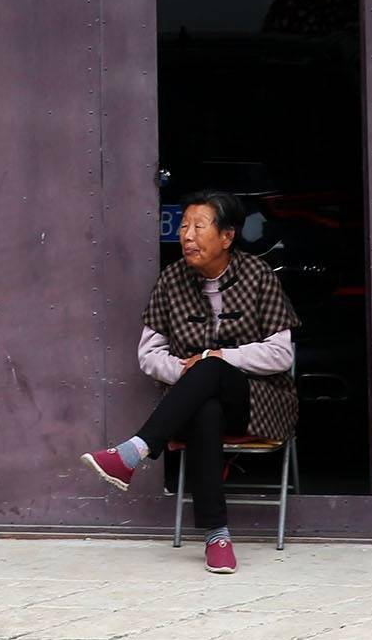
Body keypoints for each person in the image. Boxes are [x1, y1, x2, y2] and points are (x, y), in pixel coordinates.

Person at [81, 191, 299, 574]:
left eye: (199, 227)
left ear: (227, 237)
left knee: (212, 367)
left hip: (256, 401)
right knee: (205, 406)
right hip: (196, 404)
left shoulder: (258, 276)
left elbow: (282, 354)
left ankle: (135, 450)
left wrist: (218, 359)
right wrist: (188, 371)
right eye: (184, 226)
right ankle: (218, 536)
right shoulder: (171, 281)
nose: (187, 235)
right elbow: (148, 355)